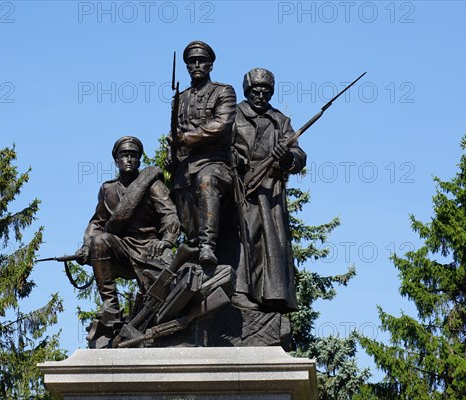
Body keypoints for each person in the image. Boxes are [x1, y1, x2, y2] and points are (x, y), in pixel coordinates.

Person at [75, 136, 180, 325]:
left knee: (163, 299)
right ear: (116, 160)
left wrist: (167, 241)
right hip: (122, 249)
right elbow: (97, 223)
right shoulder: (108, 190)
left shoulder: (152, 185)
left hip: (149, 248)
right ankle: (111, 307)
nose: (129, 159)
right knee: (99, 241)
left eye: (133, 155)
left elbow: (169, 213)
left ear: (140, 159)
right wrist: (85, 246)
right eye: (124, 155)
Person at [232, 68, 307, 313]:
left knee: (272, 245)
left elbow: (299, 155)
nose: (260, 95)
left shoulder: (280, 120)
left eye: (265, 91)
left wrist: (285, 156)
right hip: (242, 184)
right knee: (245, 237)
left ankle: (270, 297)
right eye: (256, 90)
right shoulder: (235, 115)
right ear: (247, 91)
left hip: (270, 190)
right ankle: (240, 291)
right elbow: (222, 146)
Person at [169, 40, 237, 267]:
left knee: (206, 180)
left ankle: (208, 247)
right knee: (188, 226)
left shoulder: (223, 91)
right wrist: (173, 149)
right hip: (184, 168)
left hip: (215, 163)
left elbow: (221, 125)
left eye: (202, 60)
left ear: (210, 65)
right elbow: (175, 131)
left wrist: (185, 139)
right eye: (192, 61)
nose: (197, 64)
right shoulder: (179, 98)